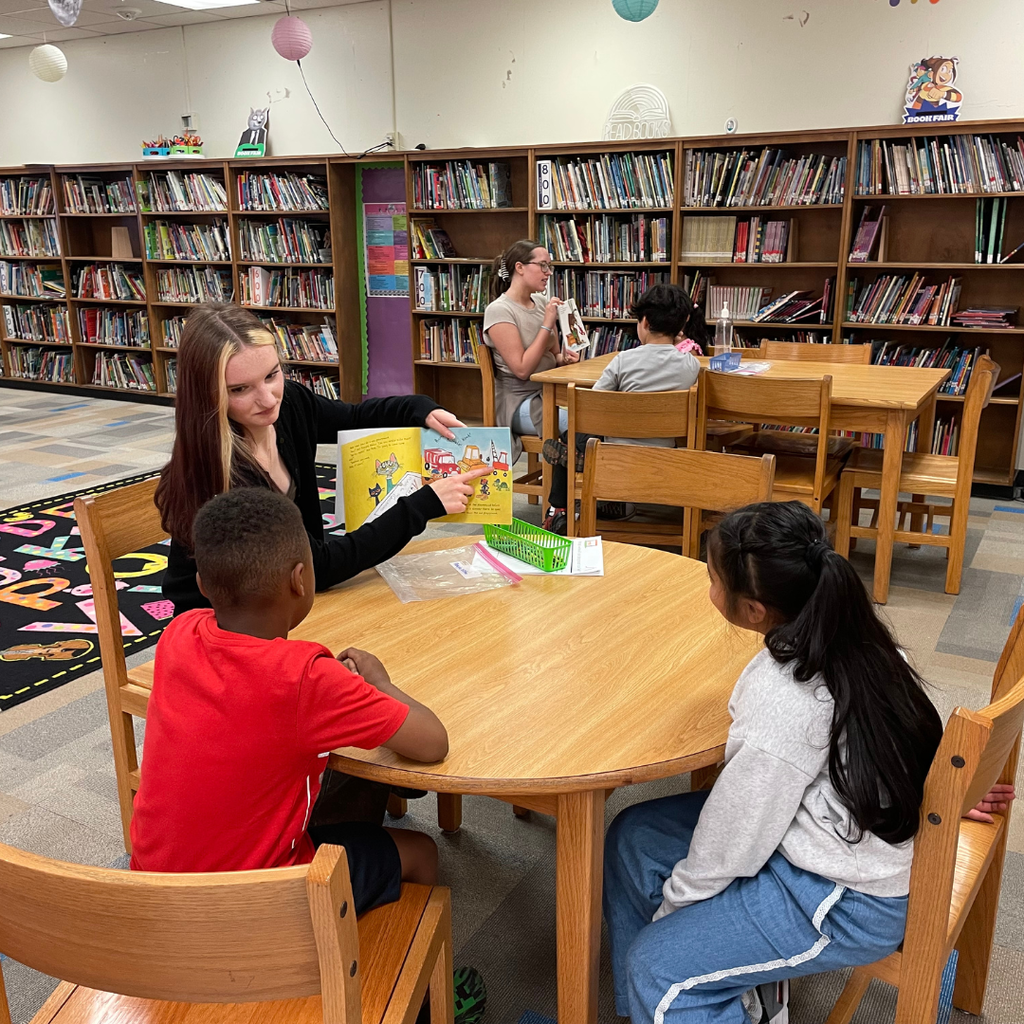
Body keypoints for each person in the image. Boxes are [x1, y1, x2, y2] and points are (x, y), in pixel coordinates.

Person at [602, 501, 1015, 1024]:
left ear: (754, 610)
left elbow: (734, 839)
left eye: (711, 579)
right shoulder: (855, 630)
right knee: (634, 836)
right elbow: (895, 733)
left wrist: (671, 921)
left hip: (845, 900)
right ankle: (704, 990)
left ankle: (682, 994)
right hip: (827, 838)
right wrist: (944, 796)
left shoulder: (784, 697)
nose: (707, 590)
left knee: (655, 970)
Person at [131, 487, 446, 904]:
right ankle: (384, 961)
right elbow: (433, 743)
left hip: (151, 891)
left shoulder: (178, 635)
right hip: (258, 905)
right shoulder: (307, 679)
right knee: (421, 851)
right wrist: (380, 683)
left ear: (203, 583)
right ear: (300, 579)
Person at [156, 302, 488, 616]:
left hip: (285, 598)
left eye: (272, 375)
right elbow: (320, 566)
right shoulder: (226, 476)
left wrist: (419, 408)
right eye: (240, 389)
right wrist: (422, 505)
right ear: (208, 394)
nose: (268, 398)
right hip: (225, 625)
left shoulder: (289, 407)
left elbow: (354, 417)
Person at [540, 283, 700, 535]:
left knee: (572, 434)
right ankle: (596, 487)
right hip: (664, 457)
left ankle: (560, 508)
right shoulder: (691, 365)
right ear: (681, 326)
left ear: (644, 322)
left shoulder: (623, 360)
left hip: (613, 457)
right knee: (579, 437)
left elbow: (589, 408)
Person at [482, 239, 579, 464]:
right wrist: (547, 324)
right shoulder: (499, 310)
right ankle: (564, 489)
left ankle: (579, 479)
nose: (549, 273)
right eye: (543, 265)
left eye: (550, 266)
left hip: (549, 391)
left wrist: (563, 359)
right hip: (518, 401)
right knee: (579, 420)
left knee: (592, 409)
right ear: (520, 267)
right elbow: (522, 369)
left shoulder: (540, 301)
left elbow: (552, 355)